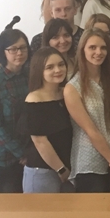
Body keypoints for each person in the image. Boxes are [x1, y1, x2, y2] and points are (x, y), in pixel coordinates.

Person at [63, 29, 110, 192]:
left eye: (103, 48)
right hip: (90, 161)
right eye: (92, 47)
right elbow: (91, 131)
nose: (98, 52)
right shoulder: (72, 88)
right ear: (82, 50)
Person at [0, 22, 30, 194]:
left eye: (23, 48)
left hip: (30, 154)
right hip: (2, 157)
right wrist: (21, 153)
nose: (19, 53)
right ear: (3, 52)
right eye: (13, 49)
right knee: (7, 206)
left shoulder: (31, 75)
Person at [20, 47, 74, 193]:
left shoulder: (66, 93)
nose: (57, 70)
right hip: (42, 171)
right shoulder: (34, 99)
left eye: (61, 65)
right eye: (50, 67)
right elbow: (40, 142)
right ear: (39, 71)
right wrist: (61, 169)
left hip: (68, 168)